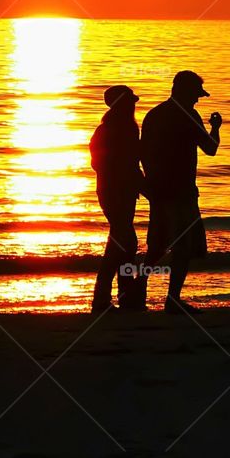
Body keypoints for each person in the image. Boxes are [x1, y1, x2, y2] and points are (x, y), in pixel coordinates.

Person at [140, 71, 221, 314]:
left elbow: (142, 153)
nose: (197, 100)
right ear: (186, 92)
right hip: (182, 191)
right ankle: (172, 299)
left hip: (158, 190)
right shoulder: (188, 115)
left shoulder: (153, 115)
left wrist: (150, 183)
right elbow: (210, 148)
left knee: (156, 246)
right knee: (182, 247)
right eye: (196, 95)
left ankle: (137, 291)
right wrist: (215, 127)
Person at [89, 85, 146, 313]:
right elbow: (102, 162)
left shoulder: (121, 128)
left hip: (119, 191)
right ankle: (104, 300)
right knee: (123, 244)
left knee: (122, 244)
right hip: (115, 192)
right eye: (130, 101)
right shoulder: (114, 129)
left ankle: (122, 298)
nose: (133, 105)